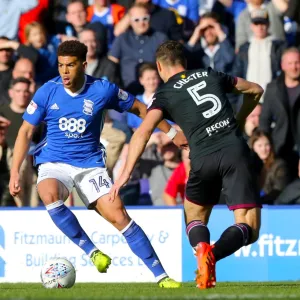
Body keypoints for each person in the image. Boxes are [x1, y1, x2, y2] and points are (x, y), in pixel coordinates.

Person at [9, 40, 186, 288]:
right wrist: (15, 171)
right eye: (60, 65)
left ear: (84, 64)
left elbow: (141, 109)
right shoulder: (47, 91)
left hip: (90, 165)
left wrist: (171, 133)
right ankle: (93, 252)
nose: (64, 72)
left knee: (120, 216)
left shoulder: (102, 89)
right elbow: (25, 132)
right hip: (54, 162)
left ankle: (162, 277)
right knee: (49, 194)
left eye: (70, 65)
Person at [110, 40, 264, 289]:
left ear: (159, 67)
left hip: (201, 157)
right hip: (234, 152)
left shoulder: (164, 94)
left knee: (194, 217)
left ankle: (203, 251)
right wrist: (239, 118)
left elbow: (143, 131)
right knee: (248, 226)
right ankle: (212, 255)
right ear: (185, 62)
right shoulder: (209, 74)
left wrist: (125, 173)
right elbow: (255, 89)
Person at [249, 128, 290, 204]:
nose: (263, 149)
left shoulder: (279, 166)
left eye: (266, 145)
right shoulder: (249, 166)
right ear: (253, 147)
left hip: (272, 207)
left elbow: (279, 191)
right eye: (259, 145)